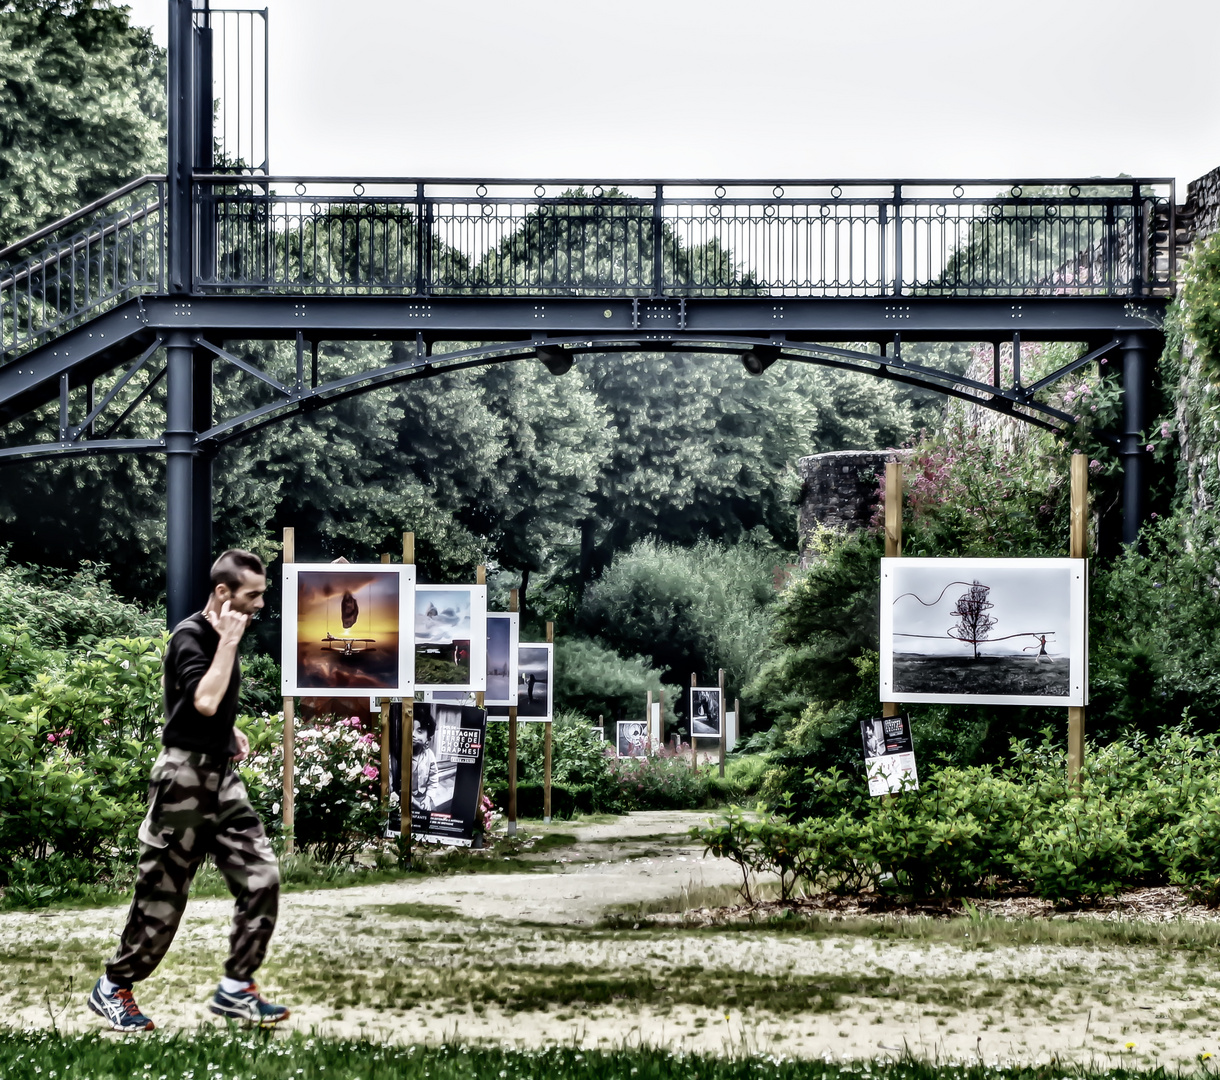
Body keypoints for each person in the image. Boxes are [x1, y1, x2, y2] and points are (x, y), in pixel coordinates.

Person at [88, 550, 288, 1033]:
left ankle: (237, 988)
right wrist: (227, 645)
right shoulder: (192, 636)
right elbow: (202, 699)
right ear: (223, 592)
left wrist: (229, 732)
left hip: (221, 778)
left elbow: (207, 709)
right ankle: (114, 987)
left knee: (262, 877)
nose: (261, 603)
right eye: (252, 594)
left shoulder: (224, 634)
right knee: (164, 897)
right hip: (182, 781)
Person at [410, 712, 439, 814]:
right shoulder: (400, 755)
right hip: (405, 798)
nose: (413, 734)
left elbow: (433, 778)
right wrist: (413, 802)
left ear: (428, 738)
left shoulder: (429, 755)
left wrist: (428, 798)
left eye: (419, 731)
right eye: (410, 729)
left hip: (423, 796)